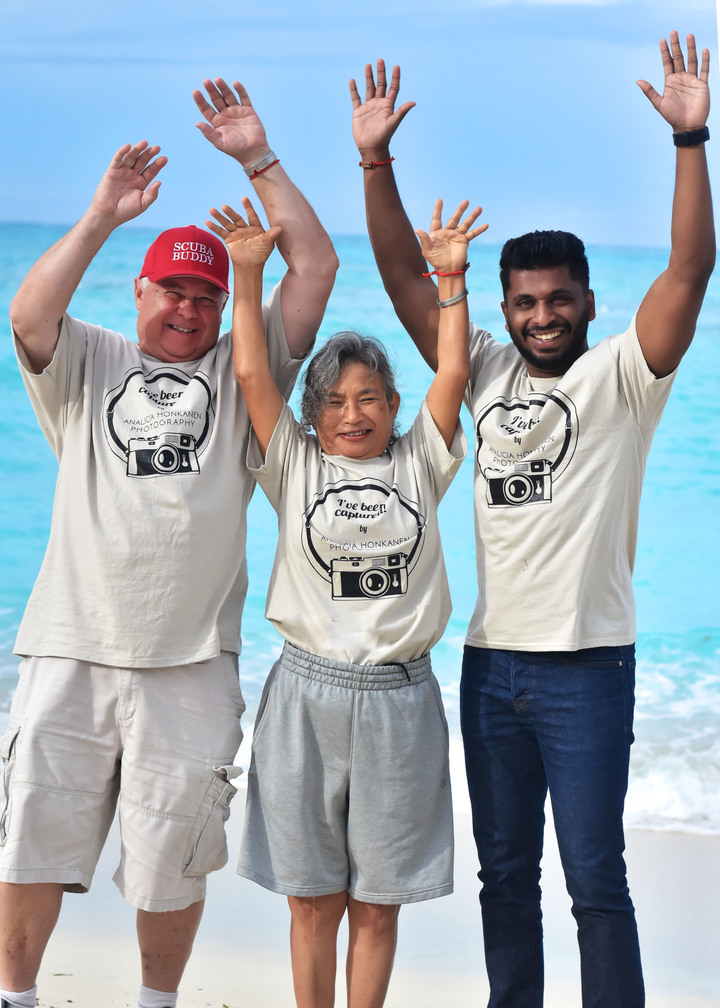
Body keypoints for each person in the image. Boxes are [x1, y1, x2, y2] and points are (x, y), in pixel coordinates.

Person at [349, 30, 714, 1008]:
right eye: (524, 302)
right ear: (505, 308)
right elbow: (400, 279)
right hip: (492, 667)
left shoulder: (622, 378)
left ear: (589, 302)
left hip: (589, 668)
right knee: (503, 879)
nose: (541, 316)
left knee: (596, 882)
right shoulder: (486, 371)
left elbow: (687, 271)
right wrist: (375, 165)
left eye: (558, 300)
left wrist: (692, 142)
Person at [0, 78, 337, 1008]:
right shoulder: (91, 361)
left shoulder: (243, 373)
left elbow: (313, 270)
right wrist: (104, 215)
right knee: (31, 835)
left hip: (190, 661)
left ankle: (156, 1003)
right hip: (68, 645)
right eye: (173, 291)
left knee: (172, 857)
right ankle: (17, 996)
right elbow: (28, 317)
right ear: (139, 290)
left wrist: (258, 161)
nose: (188, 309)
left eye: (205, 295)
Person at [205, 193, 485, 1008]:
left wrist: (451, 280)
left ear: (394, 409)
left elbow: (457, 372)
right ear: (312, 416)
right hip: (305, 692)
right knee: (312, 899)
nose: (353, 412)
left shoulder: (421, 462)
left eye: (369, 398)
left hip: (401, 697)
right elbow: (252, 371)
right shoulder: (290, 465)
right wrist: (249, 269)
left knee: (376, 901)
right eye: (333, 400)